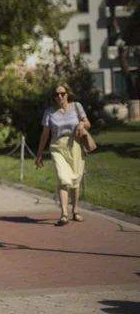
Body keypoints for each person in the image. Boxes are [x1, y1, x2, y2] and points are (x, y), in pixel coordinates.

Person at [35, 83, 91, 226]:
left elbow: (87, 123)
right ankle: (64, 214)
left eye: (62, 93)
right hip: (57, 146)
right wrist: (39, 154)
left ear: (68, 94)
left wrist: (81, 125)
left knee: (75, 179)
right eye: (56, 94)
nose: (59, 96)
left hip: (75, 145)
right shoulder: (49, 112)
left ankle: (76, 211)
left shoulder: (77, 107)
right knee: (62, 177)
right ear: (53, 97)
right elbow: (45, 134)